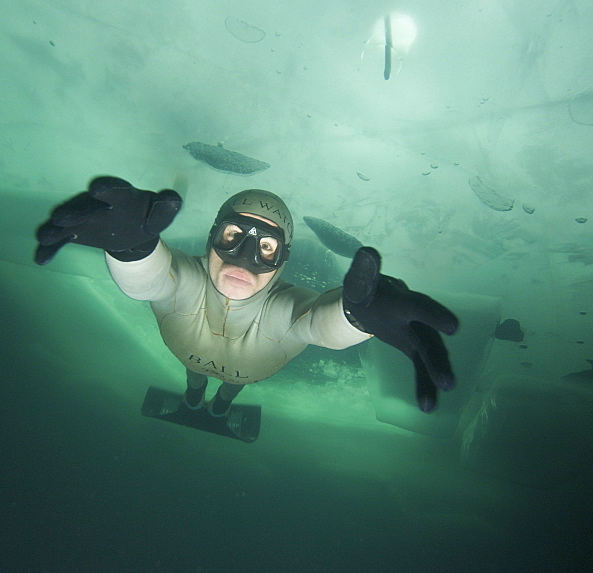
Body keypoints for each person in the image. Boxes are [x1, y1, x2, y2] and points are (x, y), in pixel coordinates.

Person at [34, 177, 458, 418]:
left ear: (283, 260)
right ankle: (202, 395)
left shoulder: (284, 309)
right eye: (233, 237)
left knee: (228, 384)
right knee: (196, 375)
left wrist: (359, 316)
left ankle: (216, 399)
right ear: (211, 237)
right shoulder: (188, 278)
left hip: (223, 365)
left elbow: (319, 324)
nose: (245, 259)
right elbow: (149, 280)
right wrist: (131, 247)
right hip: (205, 360)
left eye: (267, 248)